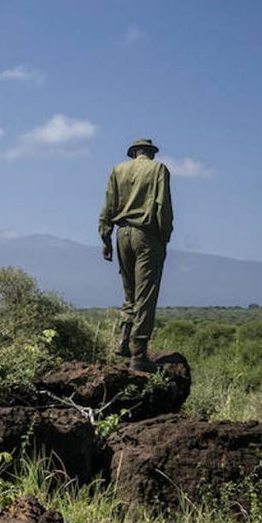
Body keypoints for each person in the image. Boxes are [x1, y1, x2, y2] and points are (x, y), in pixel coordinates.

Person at [98, 138, 173, 372]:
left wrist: (105, 237)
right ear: (150, 153)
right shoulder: (158, 169)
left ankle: (123, 340)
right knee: (146, 294)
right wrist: (164, 237)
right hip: (146, 235)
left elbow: (108, 206)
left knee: (129, 292)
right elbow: (163, 207)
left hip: (122, 235)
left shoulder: (117, 170)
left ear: (133, 153)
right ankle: (139, 353)